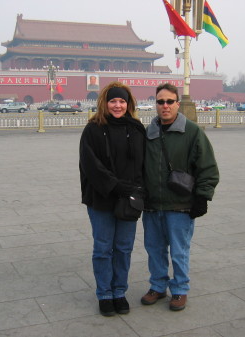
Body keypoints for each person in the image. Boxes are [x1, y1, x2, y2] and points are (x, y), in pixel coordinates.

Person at [141, 83, 219, 311]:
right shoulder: (149, 132)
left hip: (180, 205)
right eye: (160, 101)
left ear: (177, 104)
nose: (164, 106)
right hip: (153, 205)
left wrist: (202, 197)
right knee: (154, 250)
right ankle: (157, 286)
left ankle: (180, 289)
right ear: (155, 104)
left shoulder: (192, 132)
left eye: (169, 102)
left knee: (179, 251)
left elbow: (208, 167)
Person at [79, 81, 146, 316]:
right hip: (101, 198)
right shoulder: (93, 129)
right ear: (104, 103)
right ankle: (105, 294)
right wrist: (116, 186)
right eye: (113, 101)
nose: (117, 105)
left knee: (124, 248)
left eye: (122, 101)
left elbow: (144, 165)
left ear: (129, 104)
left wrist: (139, 191)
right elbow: (91, 166)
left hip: (129, 198)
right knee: (103, 248)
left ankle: (119, 291)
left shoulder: (137, 129)